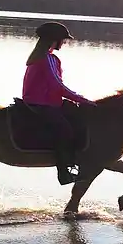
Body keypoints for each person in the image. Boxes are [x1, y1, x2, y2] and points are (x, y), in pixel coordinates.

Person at [22, 21, 97, 185]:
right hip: (41, 103)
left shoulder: (41, 56)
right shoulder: (47, 58)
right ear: (54, 39)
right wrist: (82, 99)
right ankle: (63, 173)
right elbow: (57, 86)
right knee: (65, 129)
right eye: (62, 39)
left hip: (43, 101)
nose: (63, 42)